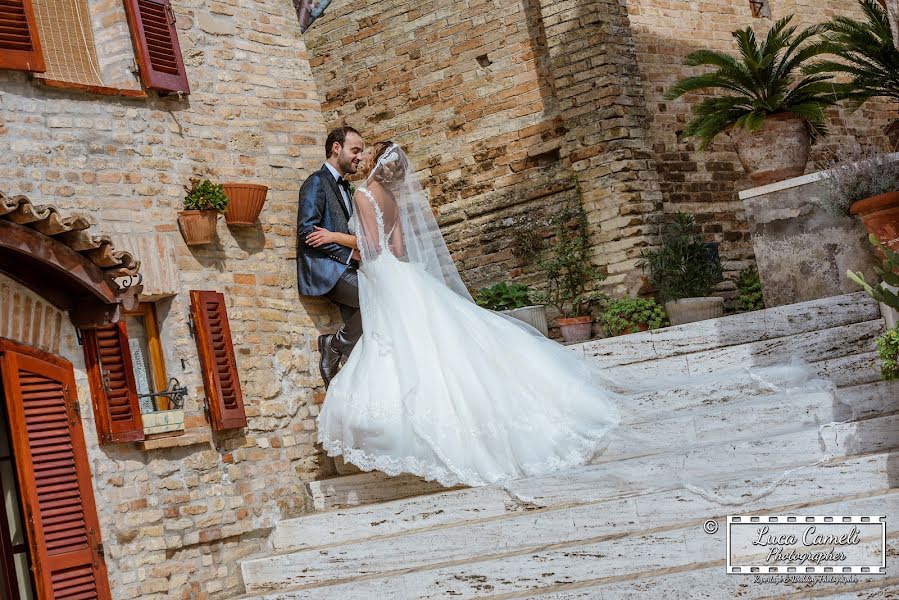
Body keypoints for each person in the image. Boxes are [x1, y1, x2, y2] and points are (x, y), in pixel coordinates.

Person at [308, 141, 837, 490]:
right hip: (412, 282)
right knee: (447, 349)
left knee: (406, 357)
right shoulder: (395, 200)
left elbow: (375, 254)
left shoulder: (359, 194)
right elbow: (400, 251)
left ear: (371, 166)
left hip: (388, 285)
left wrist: (342, 244)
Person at [296, 126, 365, 388]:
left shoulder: (347, 188)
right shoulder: (316, 182)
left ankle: (349, 384)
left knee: (365, 334)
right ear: (337, 147)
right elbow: (308, 232)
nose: (359, 156)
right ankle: (333, 345)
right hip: (326, 270)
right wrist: (350, 253)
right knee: (374, 297)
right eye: (355, 150)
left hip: (348, 269)